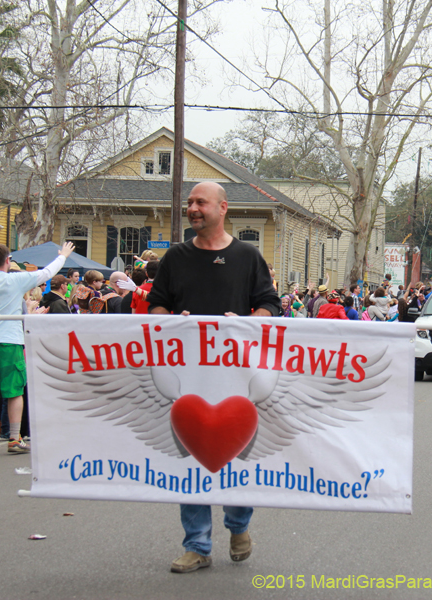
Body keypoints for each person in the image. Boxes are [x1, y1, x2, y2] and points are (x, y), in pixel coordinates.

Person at [146, 181, 280, 573]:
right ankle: (197, 546)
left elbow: (270, 305)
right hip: (189, 382)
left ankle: (239, 527)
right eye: (189, 203)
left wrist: (248, 324)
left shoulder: (247, 256)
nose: (192, 208)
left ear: (223, 208)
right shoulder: (175, 257)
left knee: (236, 459)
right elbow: (156, 306)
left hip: (237, 381)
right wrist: (173, 326)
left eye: (200, 202)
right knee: (192, 460)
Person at [0, 242, 74, 457]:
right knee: (14, 390)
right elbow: (47, 273)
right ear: (7, 261)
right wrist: (63, 256)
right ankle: (14, 438)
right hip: (9, 340)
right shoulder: (16, 280)